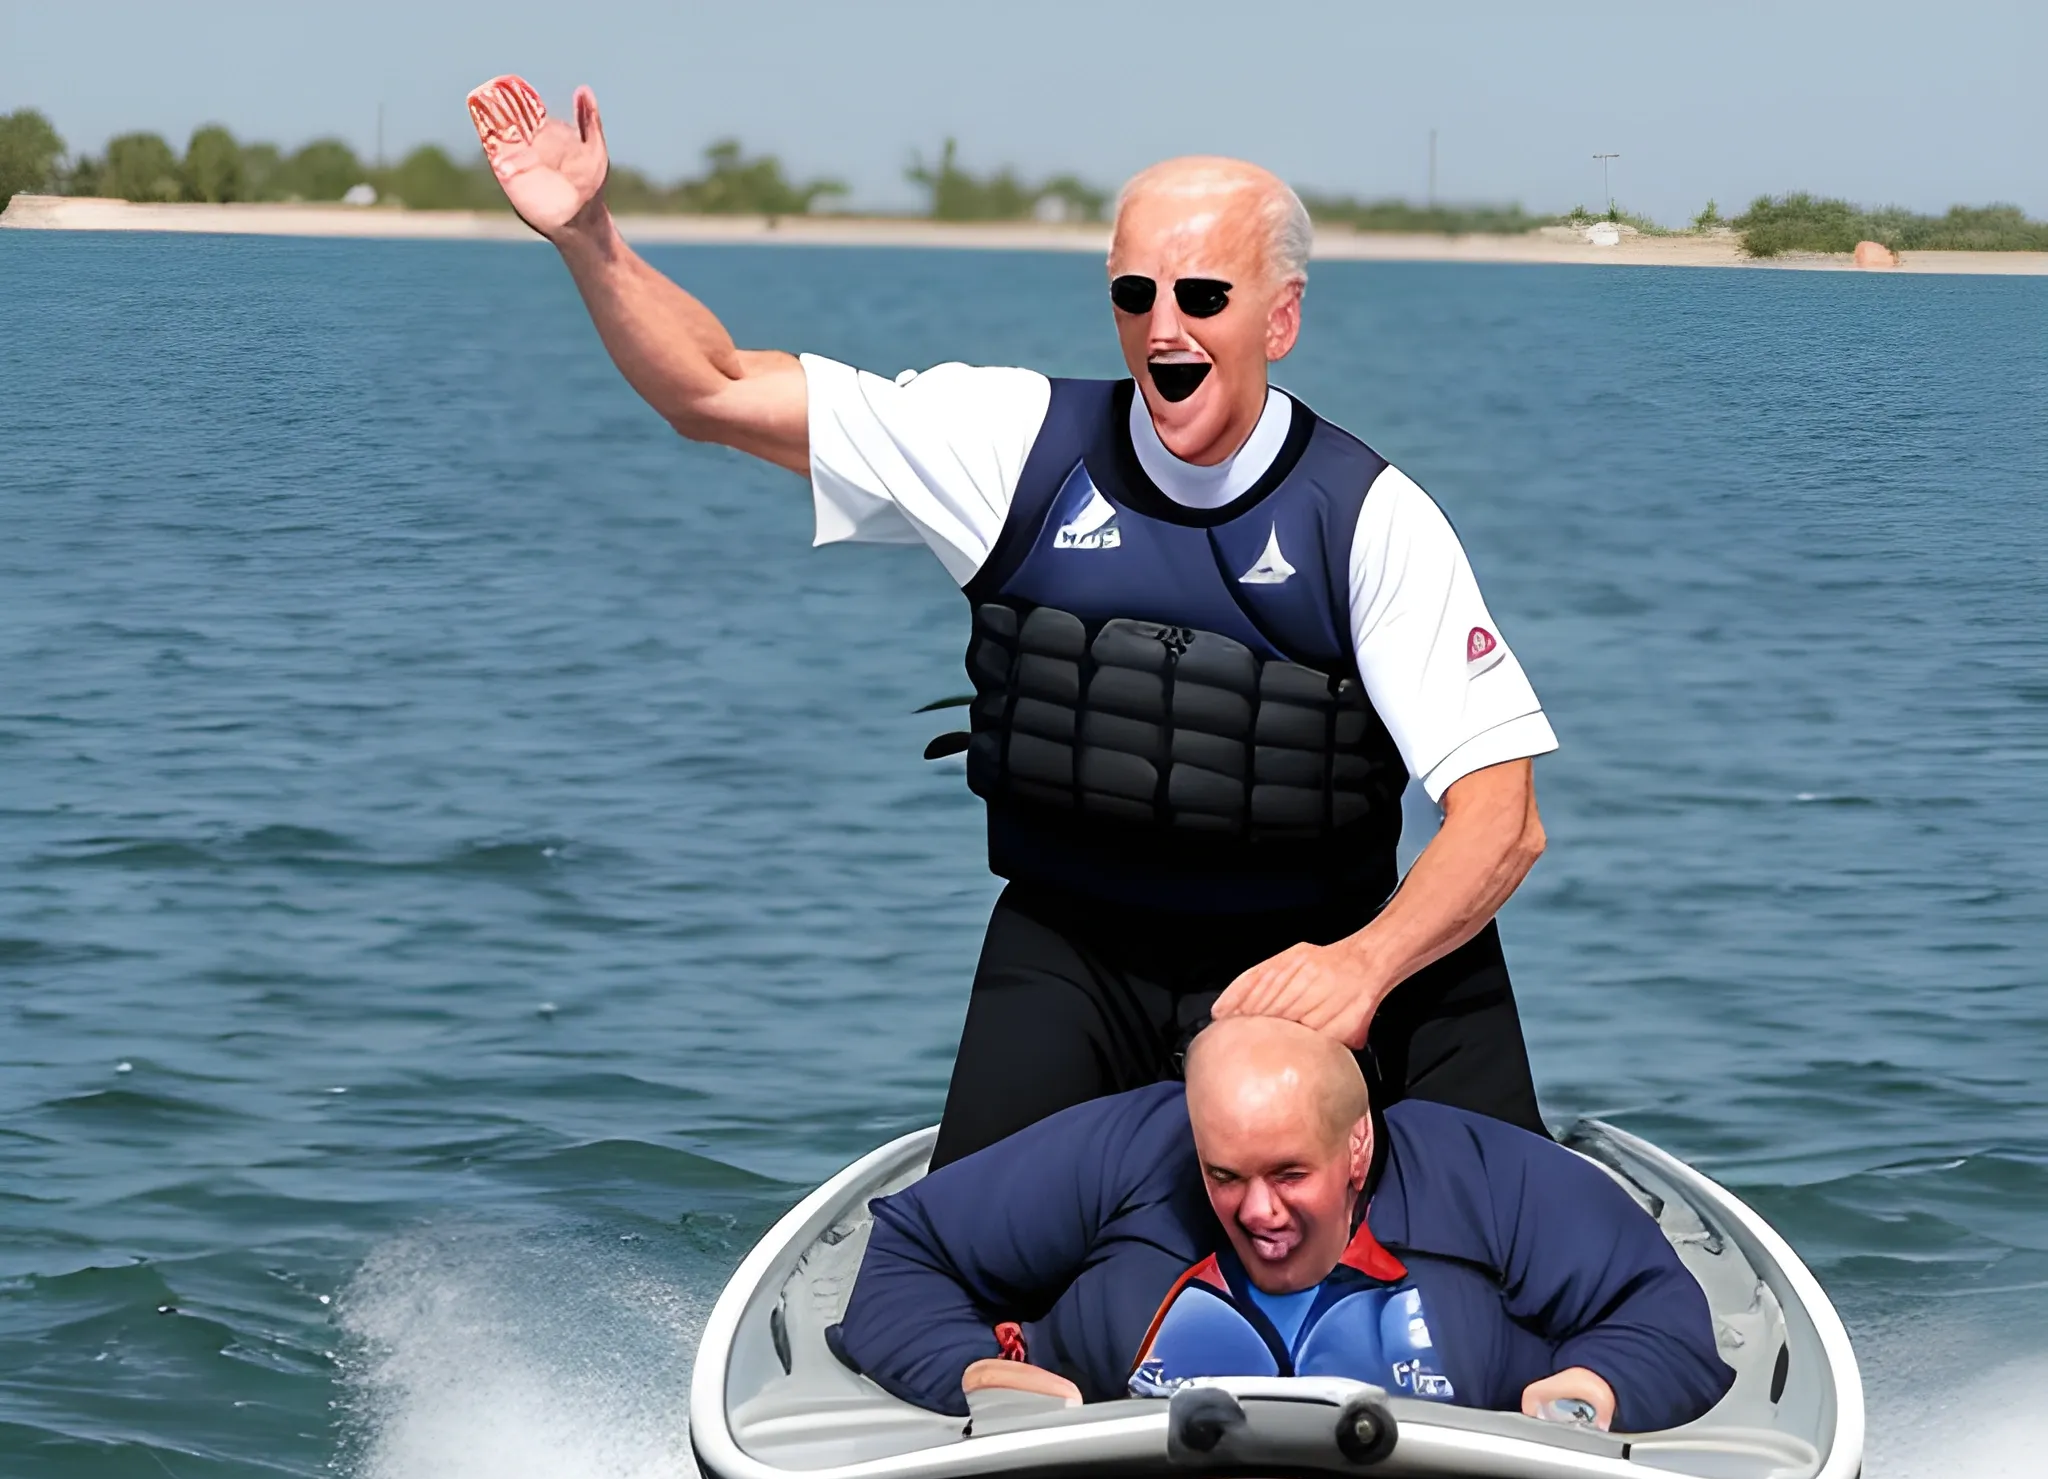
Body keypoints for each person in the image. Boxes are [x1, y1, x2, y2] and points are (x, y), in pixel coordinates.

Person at [468, 78, 1558, 1164]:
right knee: (958, 1264)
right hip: (1074, 946)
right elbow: (711, 389)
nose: (1164, 329)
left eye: (1203, 297)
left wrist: (1360, 968)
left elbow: (1500, 819)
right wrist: (588, 235)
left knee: (1516, 1242)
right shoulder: (1008, 445)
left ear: (1280, 314)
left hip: (1315, 950)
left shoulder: (1368, 517)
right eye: (1135, 294)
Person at [828, 1016, 1731, 1433]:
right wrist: (968, 1373)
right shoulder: (1127, 1153)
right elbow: (908, 1251)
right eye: (1226, 1175)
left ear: (1357, 1146)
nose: (1259, 1213)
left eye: (1289, 1174)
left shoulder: (1486, 1179)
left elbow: (1662, 1314)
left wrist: (1595, 1391)